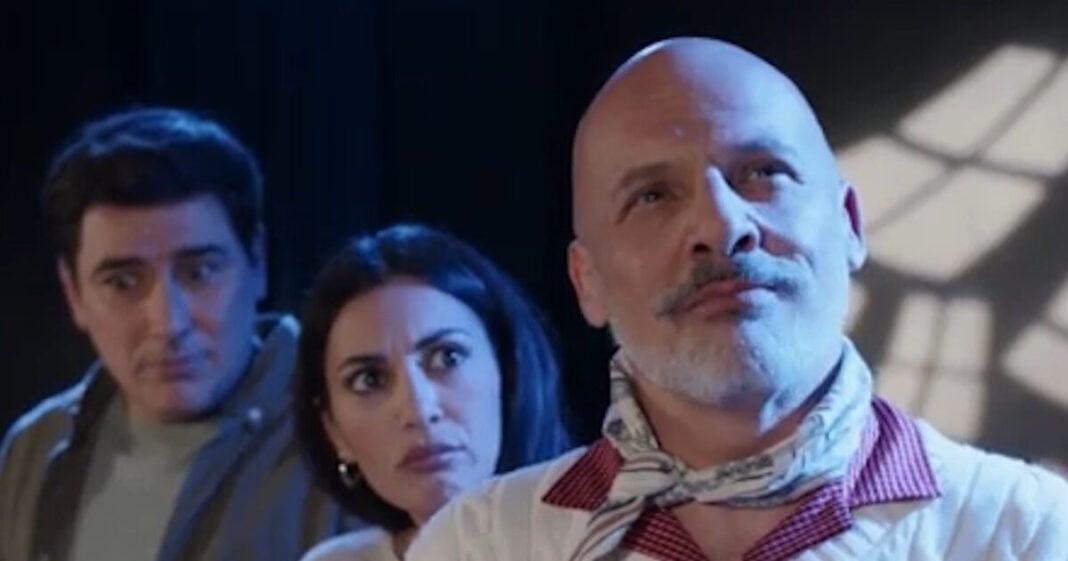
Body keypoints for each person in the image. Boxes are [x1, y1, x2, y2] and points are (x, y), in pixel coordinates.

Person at [407, 37, 1068, 560]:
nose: (722, 225)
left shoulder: (1025, 533)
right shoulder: (479, 545)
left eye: (763, 173)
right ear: (588, 282)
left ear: (848, 225)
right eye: (652, 195)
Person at [0, 107, 358, 561]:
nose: (169, 323)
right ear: (74, 294)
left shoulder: (350, 436)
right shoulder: (35, 446)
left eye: (200, 272)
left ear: (258, 263)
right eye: (123, 283)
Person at [294, 223, 571, 561]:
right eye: (369, 380)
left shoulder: (606, 543)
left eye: (447, 358)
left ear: (508, 371)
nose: (419, 410)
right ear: (334, 431)